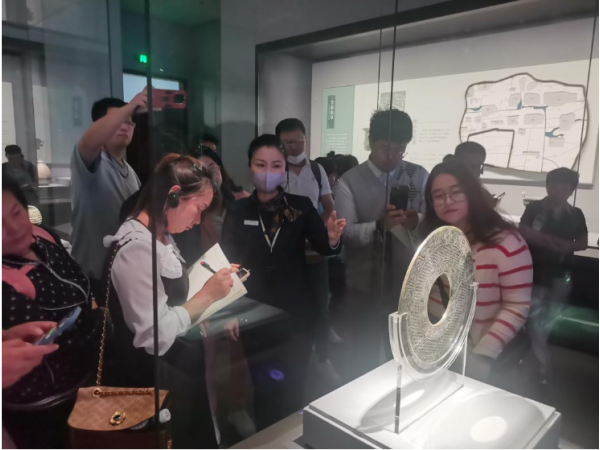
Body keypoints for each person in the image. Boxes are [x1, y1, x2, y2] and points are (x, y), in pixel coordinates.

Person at [103, 154, 237, 448]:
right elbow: (155, 333)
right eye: (198, 208)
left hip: (179, 368)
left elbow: (169, 295)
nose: (198, 220)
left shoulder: (159, 236)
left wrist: (210, 286)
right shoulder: (137, 249)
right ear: (174, 195)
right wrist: (207, 295)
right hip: (156, 378)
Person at [221, 134, 346, 430]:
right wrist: (229, 310)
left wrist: (331, 238)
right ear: (250, 167)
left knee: (294, 385)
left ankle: (288, 438)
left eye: (276, 165)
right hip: (253, 314)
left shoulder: (300, 206)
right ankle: (266, 439)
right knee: (262, 387)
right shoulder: (238, 210)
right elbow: (227, 262)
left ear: (284, 170)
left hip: (297, 312)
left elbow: (323, 245)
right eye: (260, 164)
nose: (268, 172)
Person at [393, 160, 532, 381]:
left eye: (456, 192)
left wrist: (484, 354)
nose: (448, 201)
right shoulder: (437, 238)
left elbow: (517, 305)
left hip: (483, 356)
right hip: (440, 351)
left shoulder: (507, 242)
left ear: (471, 194)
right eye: (438, 195)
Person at [2, 177, 102, 449]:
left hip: (88, 377)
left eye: (16, 212)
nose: (14, 227)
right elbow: (64, 339)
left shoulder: (43, 235)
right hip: (44, 405)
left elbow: (80, 283)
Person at [333, 109, 428, 379]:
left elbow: (433, 222)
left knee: (404, 352)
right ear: (371, 142)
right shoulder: (350, 180)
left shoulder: (418, 175)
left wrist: (417, 220)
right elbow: (345, 233)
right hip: (364, 281)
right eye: (385, 148)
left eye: (400, 150)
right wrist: (379, 226)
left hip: (408, 281)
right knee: (363, 349)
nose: (392, 156)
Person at [70, 90, 147, 285]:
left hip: (122, 274)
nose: (124, 126)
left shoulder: (130, 171)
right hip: (92, 276)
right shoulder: (91, 160)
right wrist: (131, 106)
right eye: (118, 120)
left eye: (129, 122)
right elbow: (89, 142)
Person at [519, 167, 587, 382]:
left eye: (564, 186)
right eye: (554, 185)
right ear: (547, 186)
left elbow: (583, 242)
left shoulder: (576, 214)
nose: (558, 190)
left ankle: (531, 357)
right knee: (533, 317)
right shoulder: (534, 208)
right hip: (536, 271)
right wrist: (559, 244)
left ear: (571, 190)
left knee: (550, 317)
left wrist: (555, 244)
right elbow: (525, 232)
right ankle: (543, 364)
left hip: (562, 272)